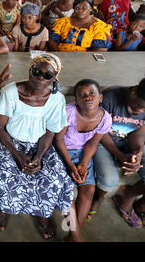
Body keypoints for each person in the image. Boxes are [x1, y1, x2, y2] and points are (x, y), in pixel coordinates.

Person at [0, 53, 74, 239]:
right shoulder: (10, 92)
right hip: (10, 142)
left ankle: (42, 214)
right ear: (30, 71)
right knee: (8, 173)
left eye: (48, 75)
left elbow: (50, 133)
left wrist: (38, 156)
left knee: (55, 176)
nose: (40, 77)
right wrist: (16, 154)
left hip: (40, 145)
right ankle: (4, 209)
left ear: (55, 78)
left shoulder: (57, 100)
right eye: (36, 71)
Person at [54, 79, 112, 242]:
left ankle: (73, 235)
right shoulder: (68, 112)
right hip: (61, 152)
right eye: (82, 95)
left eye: (92, 93)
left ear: (100, 97)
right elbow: (58, 140)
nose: (87, 97)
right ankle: (75, 236)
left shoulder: (105, 118)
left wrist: (84, 164)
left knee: (88, 190)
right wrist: (71, 165)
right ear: (76, 100)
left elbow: (93, 142)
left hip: (83, 154)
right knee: (68, 193)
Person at [87, 78, 145, 229]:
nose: (139, 111)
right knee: (109, 179)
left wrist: (137, 151)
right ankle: (98, 198)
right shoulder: (111, 96)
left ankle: (130, 195)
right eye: (139, 105)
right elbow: (98, 130)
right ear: (134, 90)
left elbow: (138, 131)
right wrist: (119, 154)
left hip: (127, 141)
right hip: (101, 141)